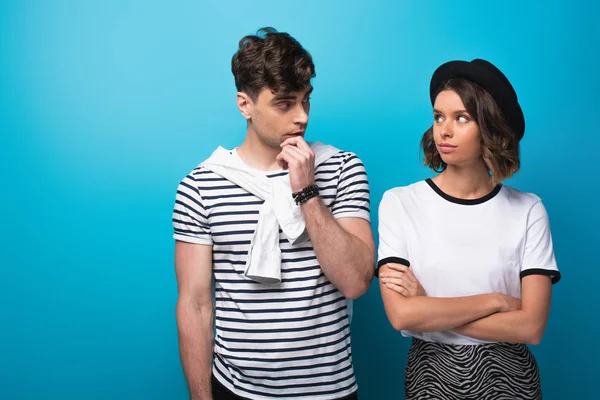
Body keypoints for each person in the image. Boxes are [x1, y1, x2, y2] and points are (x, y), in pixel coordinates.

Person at [172, 27, 375, 400]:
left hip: (329, 392)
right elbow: (195, 304)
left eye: (306, 100)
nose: (301, 118)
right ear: (245, 105)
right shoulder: (201, 185)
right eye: (284, 104)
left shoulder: (342, 168)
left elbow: (356, 282)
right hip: (236, 390)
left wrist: (307, 192)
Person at [377, 59, 560, 399]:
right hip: (431, 375)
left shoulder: (528, 210)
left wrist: (430, 308)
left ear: (490, 127)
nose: (444, 130)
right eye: (438, 116)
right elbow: (402, 314)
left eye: (461, 118)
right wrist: (496, 301)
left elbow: (531, 327)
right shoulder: (400, 203)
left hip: (511, 379)